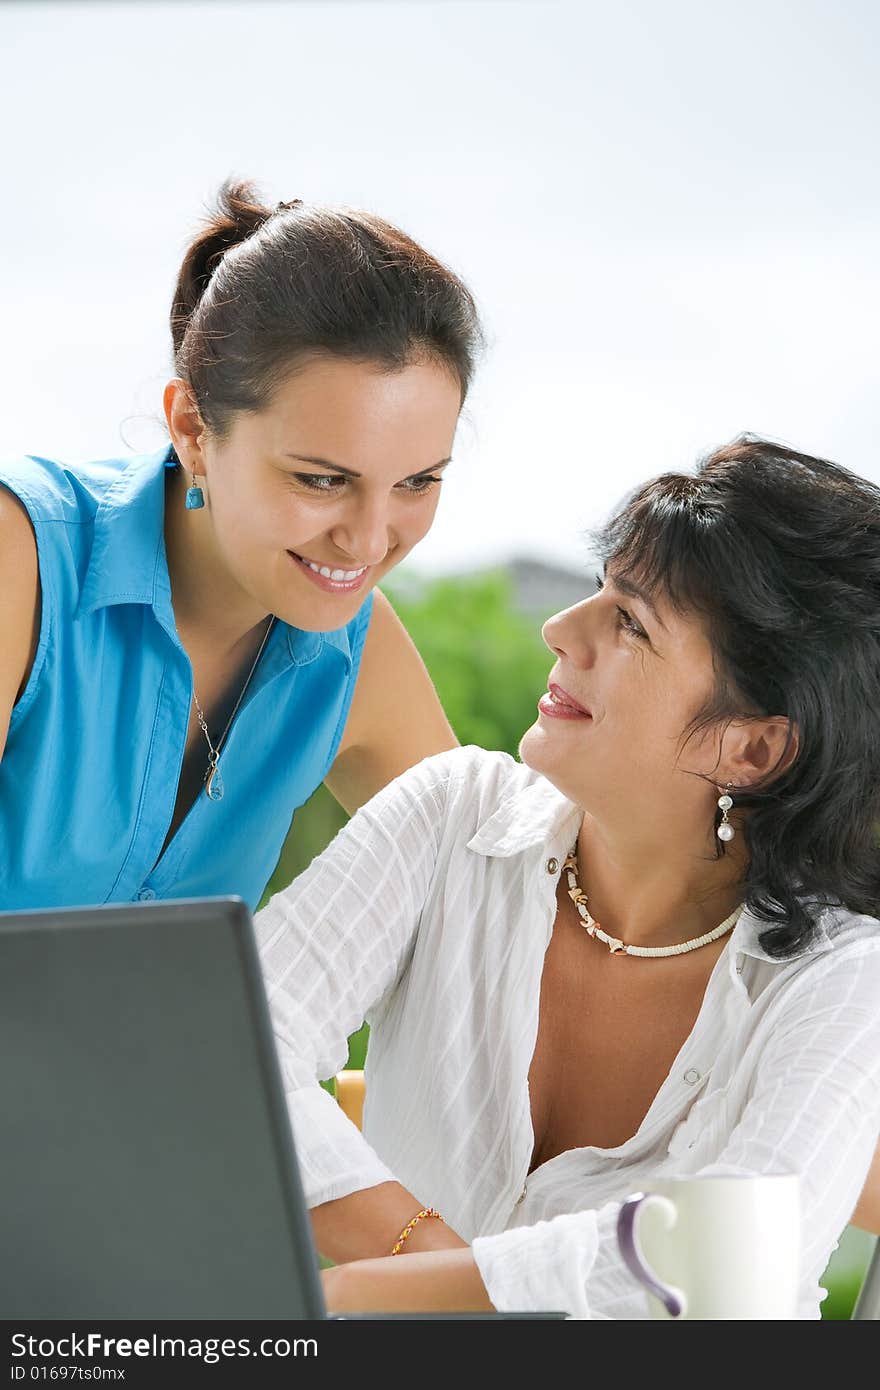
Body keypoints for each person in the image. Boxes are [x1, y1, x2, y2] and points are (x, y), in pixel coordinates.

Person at [255, 435, 880, 1319]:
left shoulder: (842, 974)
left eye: (630, 623)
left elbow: (740, 1257)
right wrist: (426, 1259)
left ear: (753, 747)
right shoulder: (451, 817)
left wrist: (371, 1294)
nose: (562, 628)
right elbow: (232, 1046)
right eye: (602, 590)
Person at [0, 179, 483, 911]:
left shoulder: (353, 649)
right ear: (192, 428)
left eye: (417, 483)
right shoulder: (22, 561)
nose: (367, 539)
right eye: (321, 480)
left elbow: (489, 890)